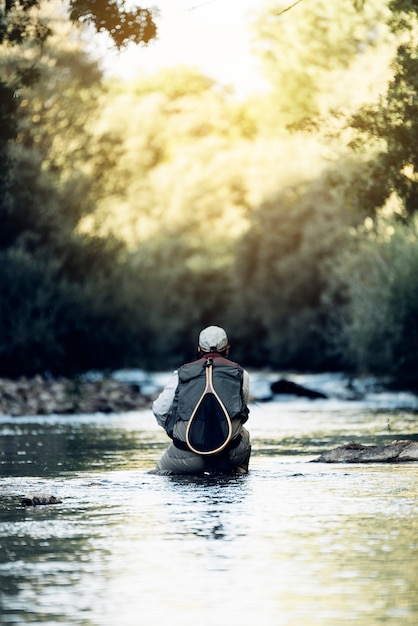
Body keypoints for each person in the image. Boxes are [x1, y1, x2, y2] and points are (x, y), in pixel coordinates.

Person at [152, 326, 251, 475]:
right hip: (231, 453)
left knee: (160, 472)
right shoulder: (241, 374)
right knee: (245, 434)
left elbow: (159, 410)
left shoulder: (180, 373)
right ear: (227, 350)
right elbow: (242, 411)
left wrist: (172, 430)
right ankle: (239, 472)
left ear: (199, 349)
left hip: (187, 455)